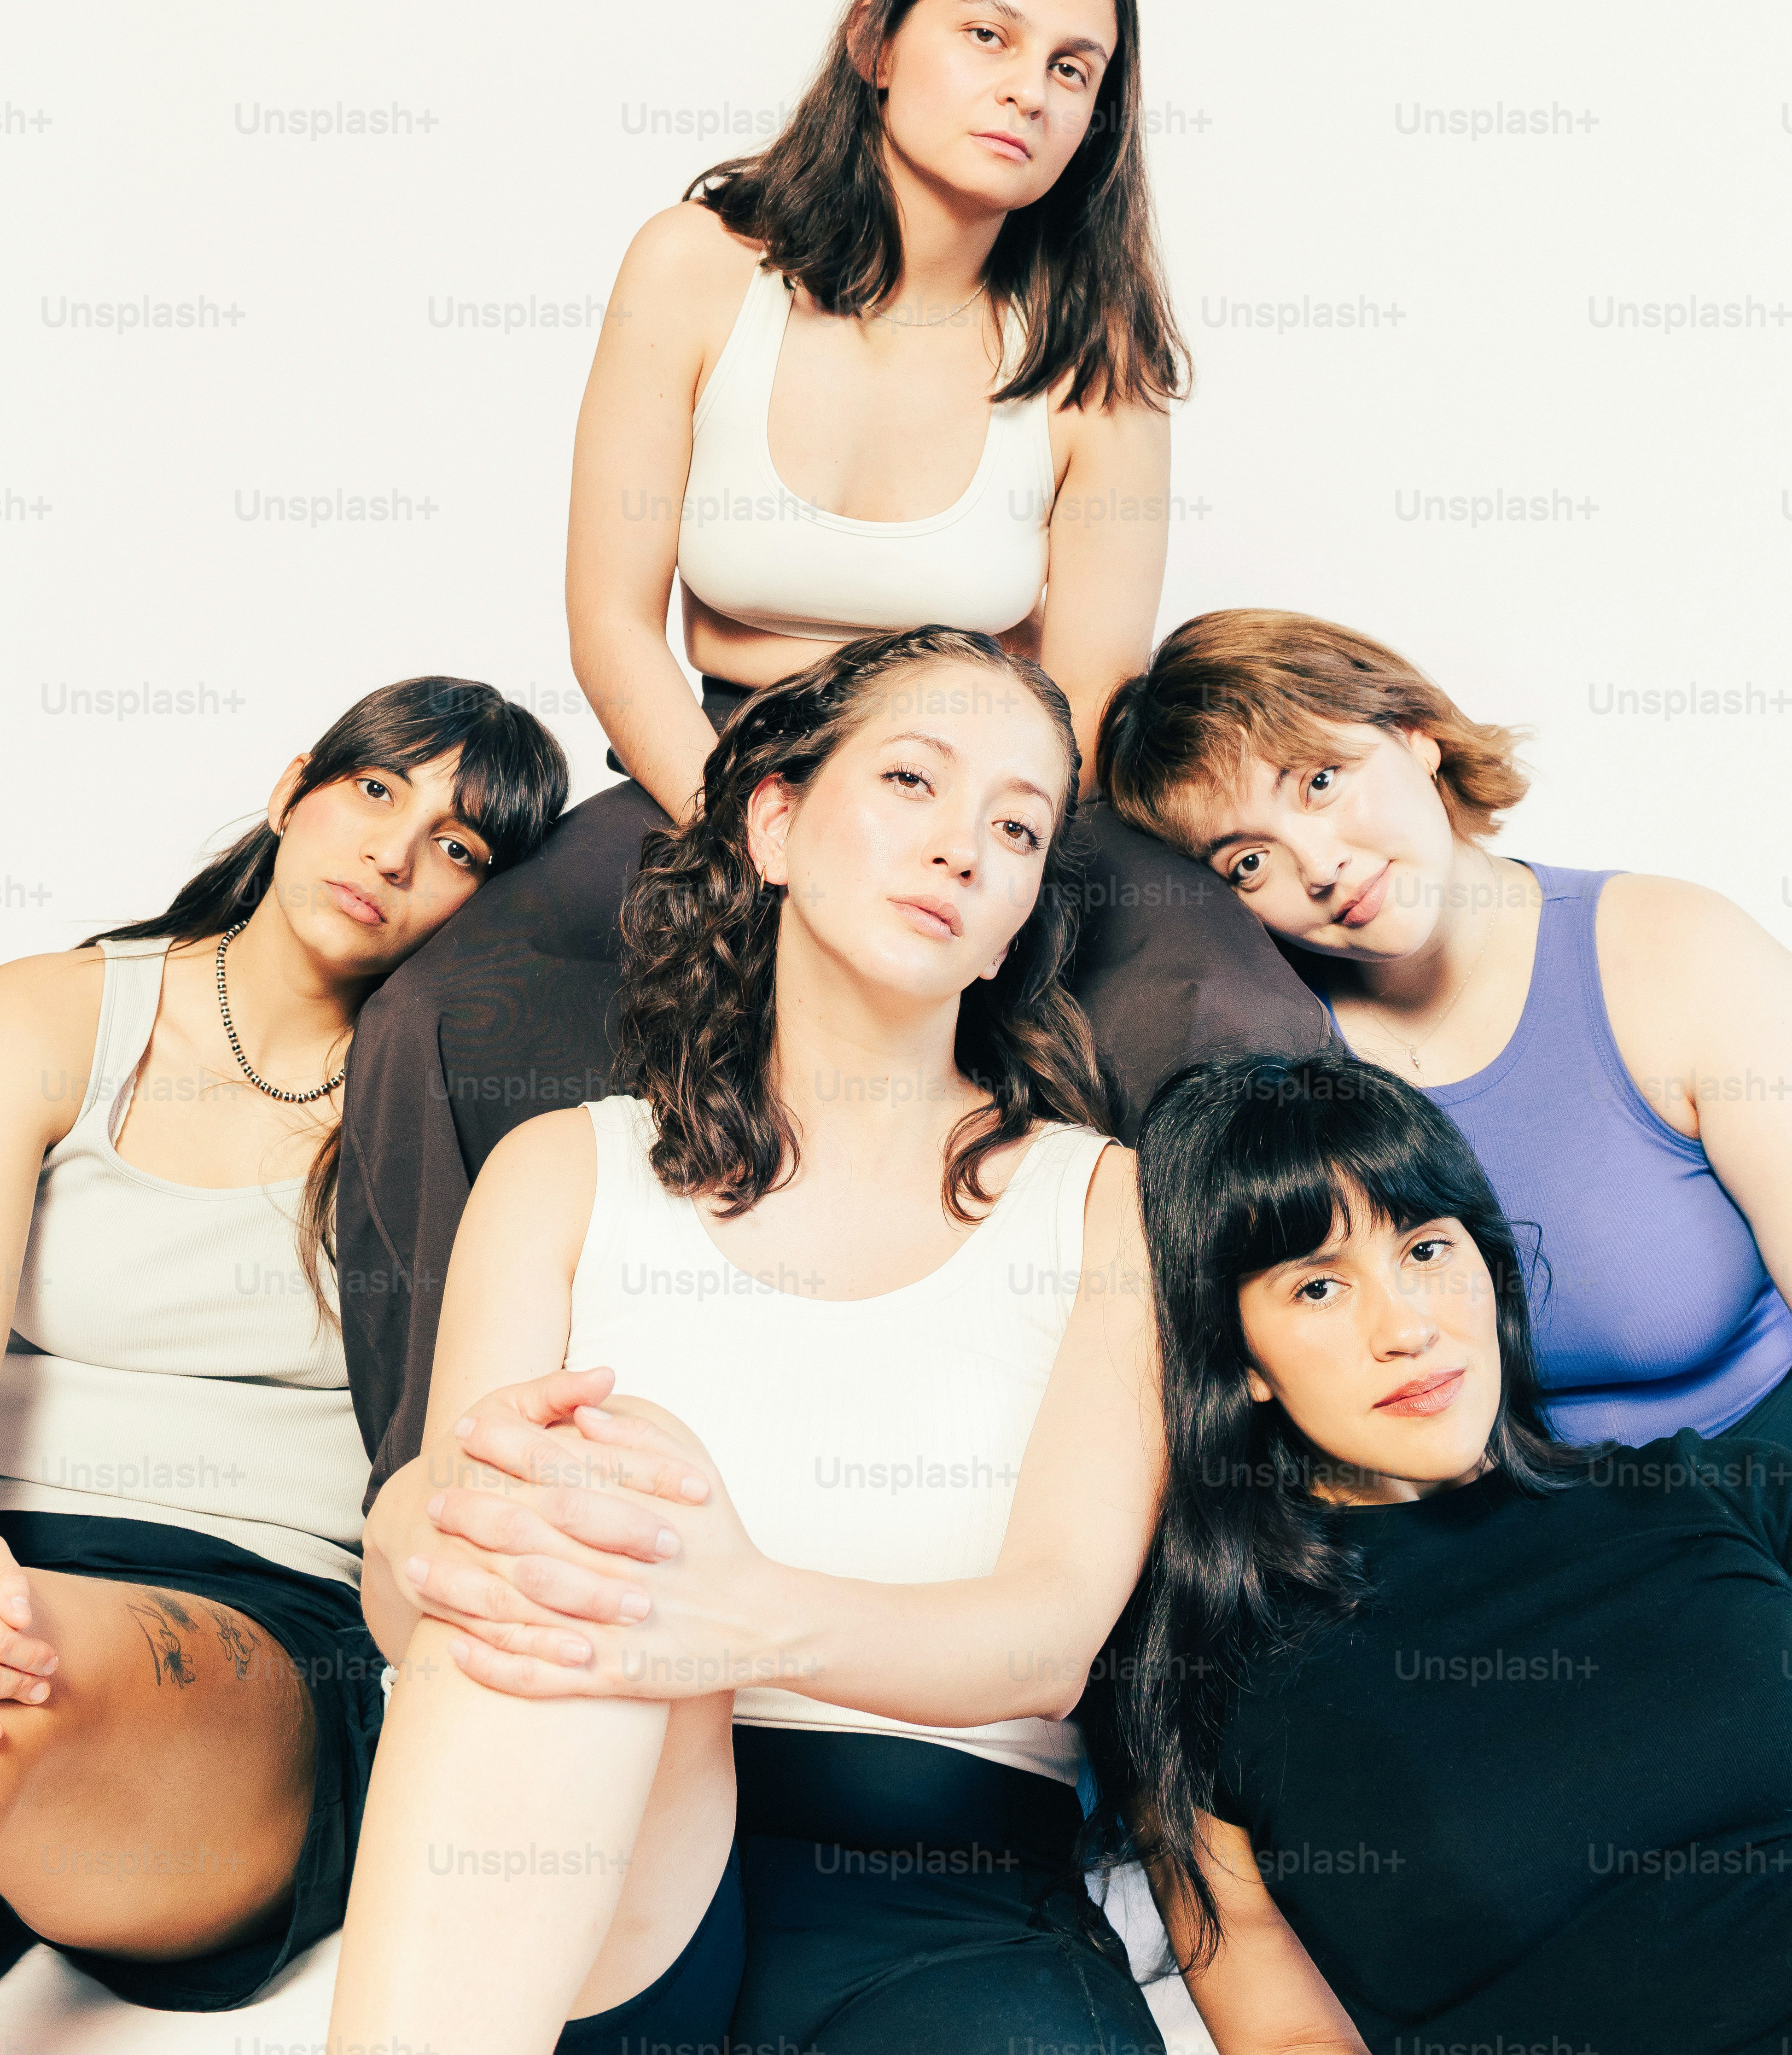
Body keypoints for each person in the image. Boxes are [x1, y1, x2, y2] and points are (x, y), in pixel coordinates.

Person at [336, 0, 1326, 1492]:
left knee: (1241, 1026)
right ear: (876, 40)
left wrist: (955, 835)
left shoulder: (1101, 348)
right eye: (988, 33)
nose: (1029, 85)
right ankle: (446, 1516)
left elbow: (1079, 692)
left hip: (996, 785)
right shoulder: (697, 264)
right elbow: (610, 624)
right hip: (716, 765)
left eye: (1076, 68)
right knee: (441, 1023)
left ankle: (1232, 1564)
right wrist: (765, 831)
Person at [326, 629, 1168, 2055]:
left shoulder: (1098, 1202)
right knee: (556, 1520)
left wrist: (732, 1610)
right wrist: (428, 1530)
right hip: (591, 1852)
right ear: (775, 821)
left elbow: (1049, 1640)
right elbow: (429, 1582)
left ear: (1021, 911)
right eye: (913, 779)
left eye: (1015, 827)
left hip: (937, 1894)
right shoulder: (562, 1168)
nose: (963, 847)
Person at [0, 679, 567, 2013]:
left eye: (460, 848)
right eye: (377, 789)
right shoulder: (51, 1015)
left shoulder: (457, 1110)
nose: (393, 853)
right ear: (296, 790)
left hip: (252, 1645)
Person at [1091, 1048, 1792, 2055]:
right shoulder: (1201, 1689)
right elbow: (1287, 2033)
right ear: (1237, 1358)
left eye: (1423, 1249)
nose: (1407, 1328)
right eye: (1317, 1287)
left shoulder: (1708, 1492)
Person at [1097, 608, 1792, 1447]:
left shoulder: (1675, 949)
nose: (1318, 867)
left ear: (1415, 731)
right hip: (1521, 1527)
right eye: (1248, 860)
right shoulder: (1274, 1058)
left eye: (1321, 780)